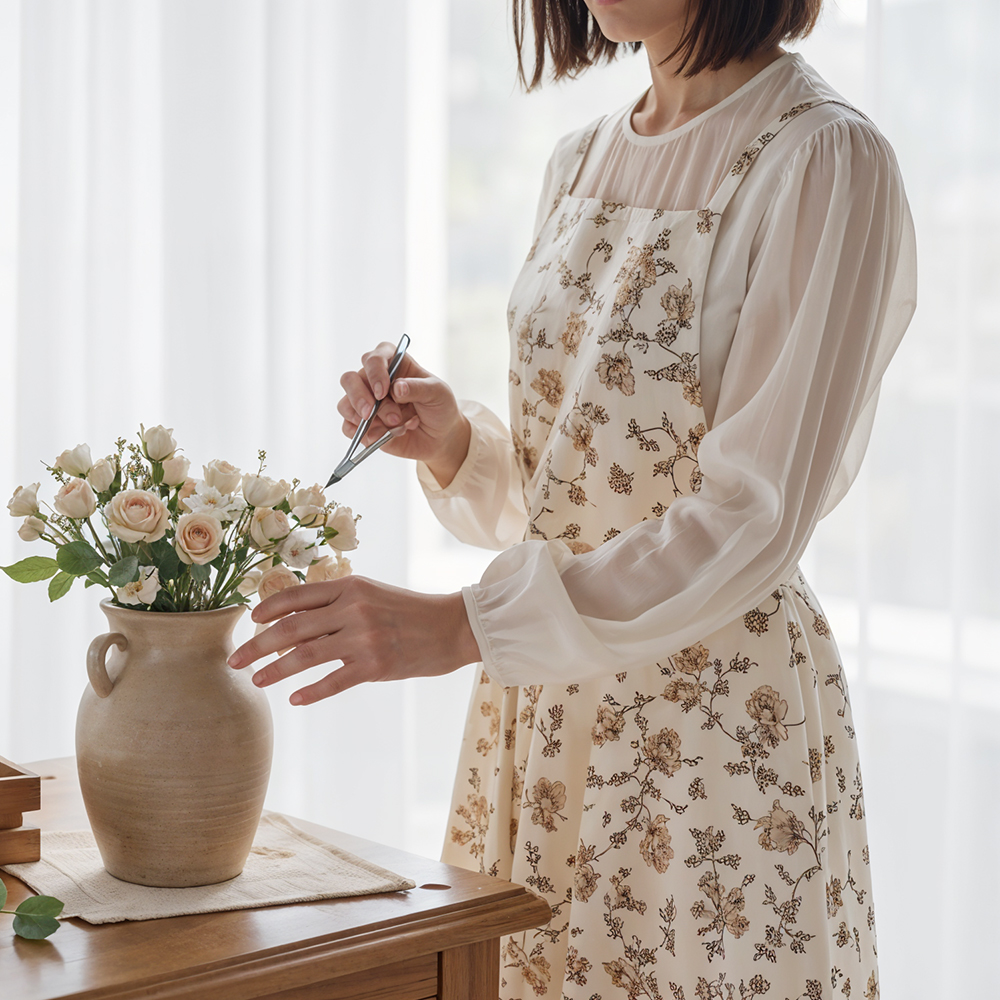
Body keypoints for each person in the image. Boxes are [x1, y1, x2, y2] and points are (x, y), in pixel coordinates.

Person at [229, 0, 916, 995]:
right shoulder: (580, 159)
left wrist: (461, 626)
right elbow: (578, 502)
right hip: (545, 712)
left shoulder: (822, 161)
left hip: (715, 734)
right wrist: (457, 447)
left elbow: (749, 516)